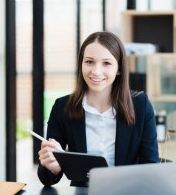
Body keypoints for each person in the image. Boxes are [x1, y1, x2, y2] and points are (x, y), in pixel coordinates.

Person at [37, 31, 159, 186]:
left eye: (106, 63)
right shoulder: (62, 107)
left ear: (119, 68)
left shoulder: (141, 105)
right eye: (89, 62)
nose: (96, 71)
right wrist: (53, 167)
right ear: (81, 64)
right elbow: (46, 178)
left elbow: (150, 166)